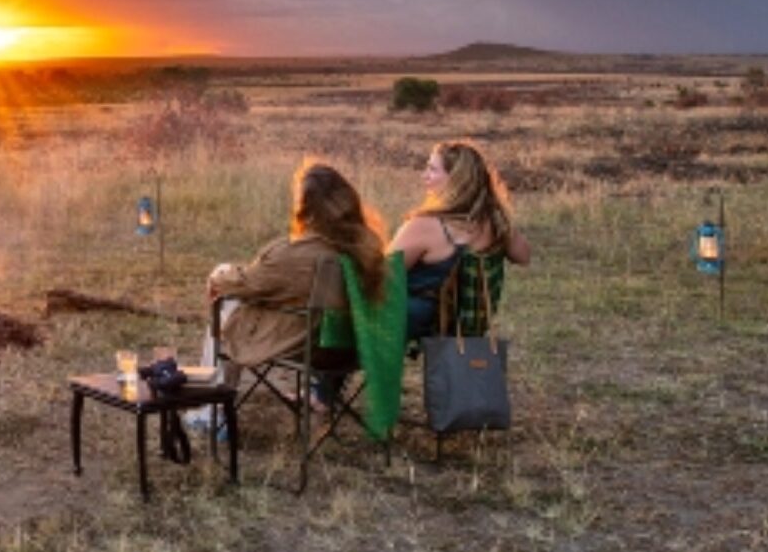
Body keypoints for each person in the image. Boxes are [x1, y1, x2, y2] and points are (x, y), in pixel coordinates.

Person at [206, 159, 388, 376]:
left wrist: (217, 277)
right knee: (238, 294)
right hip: (350, 348)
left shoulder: (297, 252)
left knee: (228, 302)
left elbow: (249, 284)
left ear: (304, 205)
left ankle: (213, 400)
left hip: (305, 345)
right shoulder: (366, 247)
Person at [390, 140, 531, 340]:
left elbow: (383, 275)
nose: (424, 176)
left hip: (422, 324)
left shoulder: (425, 225)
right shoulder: (495, 222)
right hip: (468, 328)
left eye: (432, 170)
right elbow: (524, 256)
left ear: (456, 180)